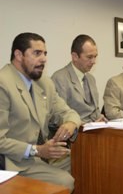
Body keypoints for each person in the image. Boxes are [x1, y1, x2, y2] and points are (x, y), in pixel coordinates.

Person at [0, 33, 81, 192]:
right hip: (11, 162)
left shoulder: (44, 83)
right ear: (18, 55)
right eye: (37, 53)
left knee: (83, 162)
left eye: (45, 54)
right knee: (64, 182)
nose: (43, 59)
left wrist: (71, 123)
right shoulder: (3, 83)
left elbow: (68, 112)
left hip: (39, 157)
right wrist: (37, 150)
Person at [51, 34, 106, 124]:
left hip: (94, 131)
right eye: (89, 57)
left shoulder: (91, 78)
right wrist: (83, 124)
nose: (93, 61)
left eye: (95, 56)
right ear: (75, 56)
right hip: (76, 132)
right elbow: (58, 115)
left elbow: (94, 110)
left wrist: (99, 117)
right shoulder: (60, 78)